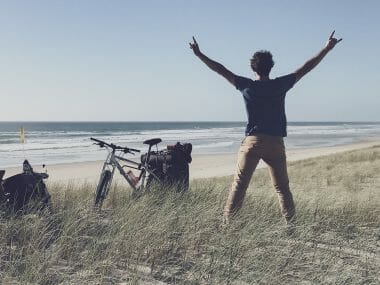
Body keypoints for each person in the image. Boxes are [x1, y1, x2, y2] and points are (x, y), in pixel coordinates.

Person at [189, 31, 342, 224]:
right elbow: (306, 68)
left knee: (239, 186)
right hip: (275, 143)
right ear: (271, 67)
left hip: (253, 142)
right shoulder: (280, 85)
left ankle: (228, 225)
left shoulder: (246, 86)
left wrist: (199, 54)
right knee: (282, 188)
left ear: (253, 68)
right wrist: (326, 49)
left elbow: (220, 69)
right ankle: (291, 225)